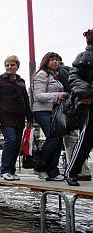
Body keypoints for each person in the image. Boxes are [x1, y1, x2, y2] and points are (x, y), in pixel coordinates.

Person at [0, 55, 33, 181]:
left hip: (19, 117)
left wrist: (29, 118)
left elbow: (26, 99)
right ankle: (5, 170)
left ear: (17, 66)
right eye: (7, 65)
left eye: (12, 65)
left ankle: (12, 170)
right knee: (11, 140)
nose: (9, 67)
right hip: (5, 117)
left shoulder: (21, 81)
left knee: (17, 144)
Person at [64, 28, 93, 186]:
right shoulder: (83, 57)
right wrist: (86, 94)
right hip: (90, 102)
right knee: (85, 138)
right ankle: (72, 171)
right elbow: (74, 77)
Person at [32, 52, 67, 181]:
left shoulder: (56, 76)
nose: (55, 62)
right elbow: (38, 96)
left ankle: (52, 170)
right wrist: (57, 95)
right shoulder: (42, 75)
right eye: (52, 60)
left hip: (54, 111)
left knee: (58, 140)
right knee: (53, 137)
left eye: (57, 60)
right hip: (42, 111)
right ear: (46, 62)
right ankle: (39, 165)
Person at [57, 56, 91, 182]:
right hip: (80, 106)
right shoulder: (71, 68)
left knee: (75, 140)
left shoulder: (61, 72)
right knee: (80, 139)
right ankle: (78, 171)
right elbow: (74, 82)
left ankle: (75, 171)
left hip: (69, 109)